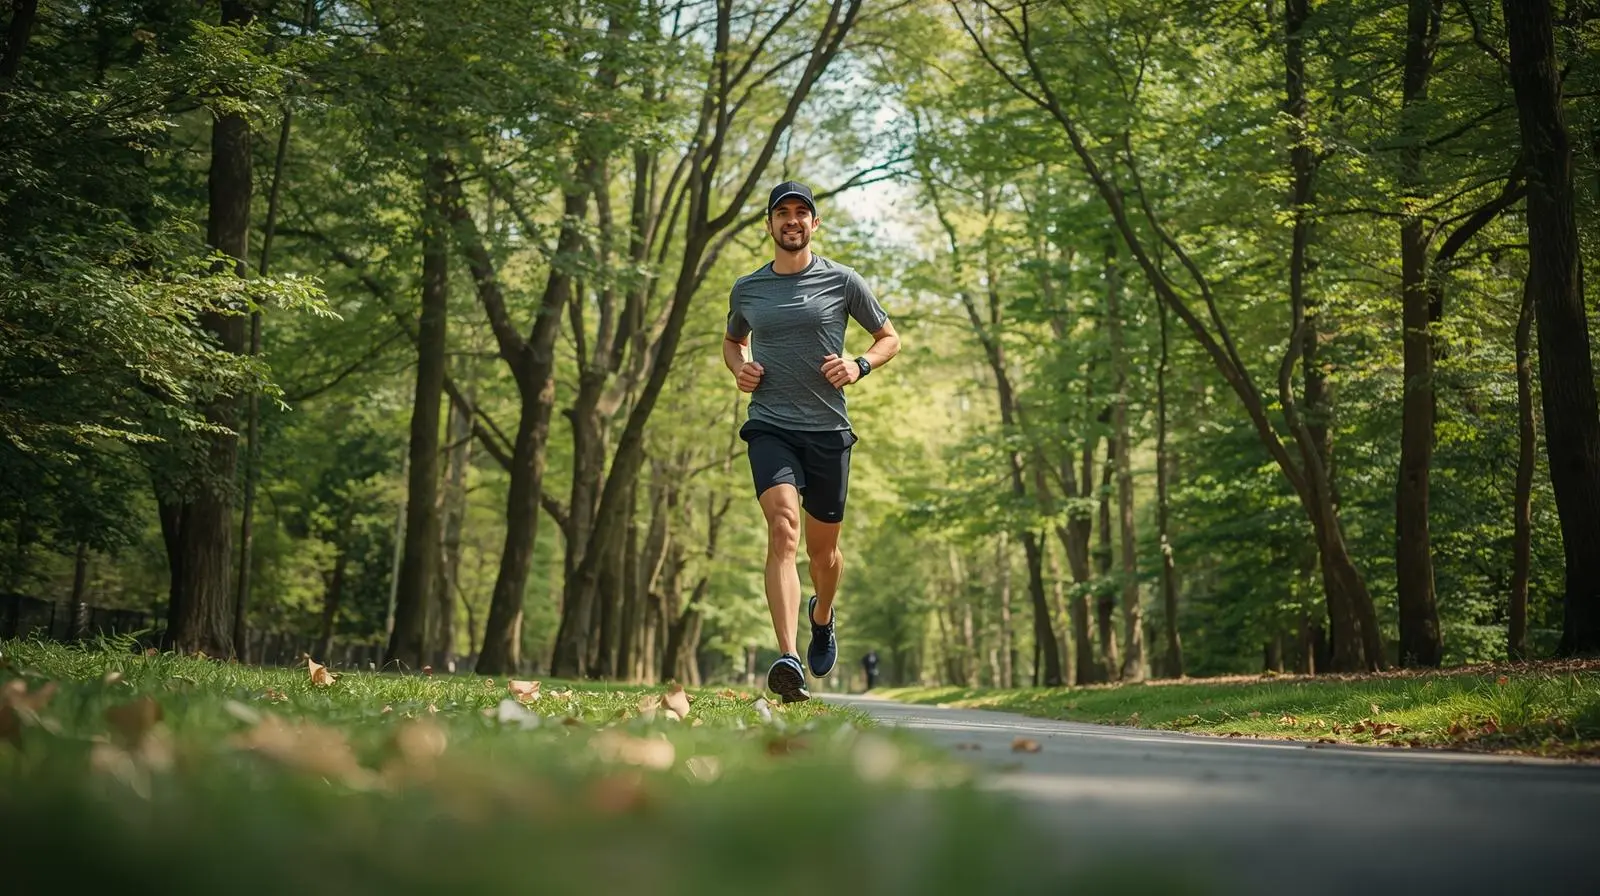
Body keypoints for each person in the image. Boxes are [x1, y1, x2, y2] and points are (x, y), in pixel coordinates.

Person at [723, 180, 901, 703]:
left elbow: (889, 337)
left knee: (824, 555)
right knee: (783, 530)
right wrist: (740, 368)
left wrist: (859, 364)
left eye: (802, 212)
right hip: (770, 424)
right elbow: (734, 340)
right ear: (770, 224)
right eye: (783, 213)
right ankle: (788, 658)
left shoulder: (844, 282)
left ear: (814, 224)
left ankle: (821, 617)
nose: (792, 220)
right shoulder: (747, 288)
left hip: (827, 430)